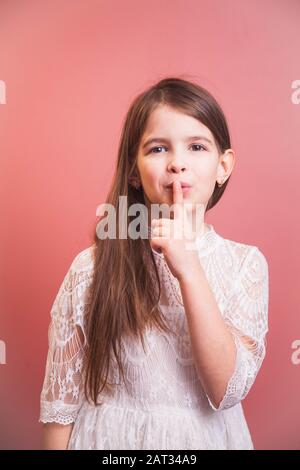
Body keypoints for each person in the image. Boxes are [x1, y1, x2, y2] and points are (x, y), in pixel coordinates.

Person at [39, 76, 269, 450]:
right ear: (133, 170)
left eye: (196, 146)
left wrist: (189, 267)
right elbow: (59, 411)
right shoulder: (91, 268)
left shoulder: (246, 265)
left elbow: (225, 390)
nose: (178, 164)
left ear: (223, 166)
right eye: (159, 149)